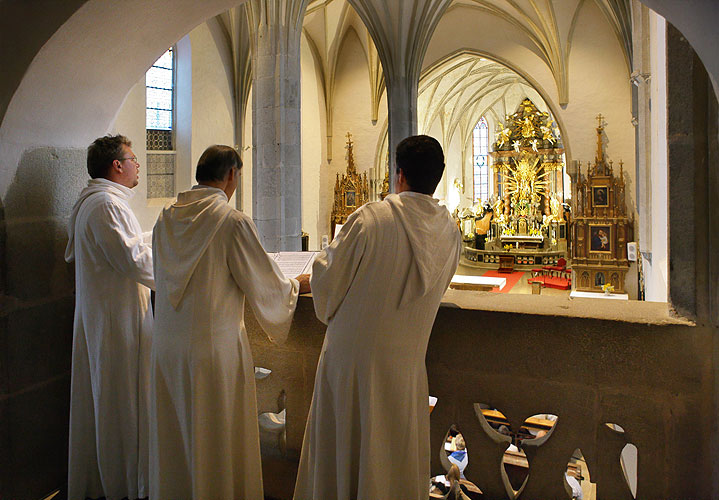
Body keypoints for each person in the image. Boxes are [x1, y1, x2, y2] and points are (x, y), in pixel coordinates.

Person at [294, 135, 461, 500]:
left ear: (399, 174)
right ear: (438, 176)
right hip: (406, 369)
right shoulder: (450, 231)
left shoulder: (372, 219)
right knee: (391, 462)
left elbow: (327, 282)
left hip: (351, 368)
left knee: (345, 461)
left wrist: (309, 281)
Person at [149, 145, 310, 499]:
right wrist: (295, 287)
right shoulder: (231, 221)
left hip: (166, 347)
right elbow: (265, 284)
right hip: (212, 352)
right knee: (213, 437)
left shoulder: (165, 218)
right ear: (232, 176)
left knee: (176, 436)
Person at [65, 134, 154, 500]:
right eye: (133, 159)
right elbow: (133, 260)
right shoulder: (106, 205)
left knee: (110, 402)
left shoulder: (97, 202)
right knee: (120, 406)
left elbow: (127, 245)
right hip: (116, 324)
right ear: (116, 165)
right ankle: (124, 486)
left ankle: (113, 481)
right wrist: (181, 264)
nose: (138, 166)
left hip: (106, 317)